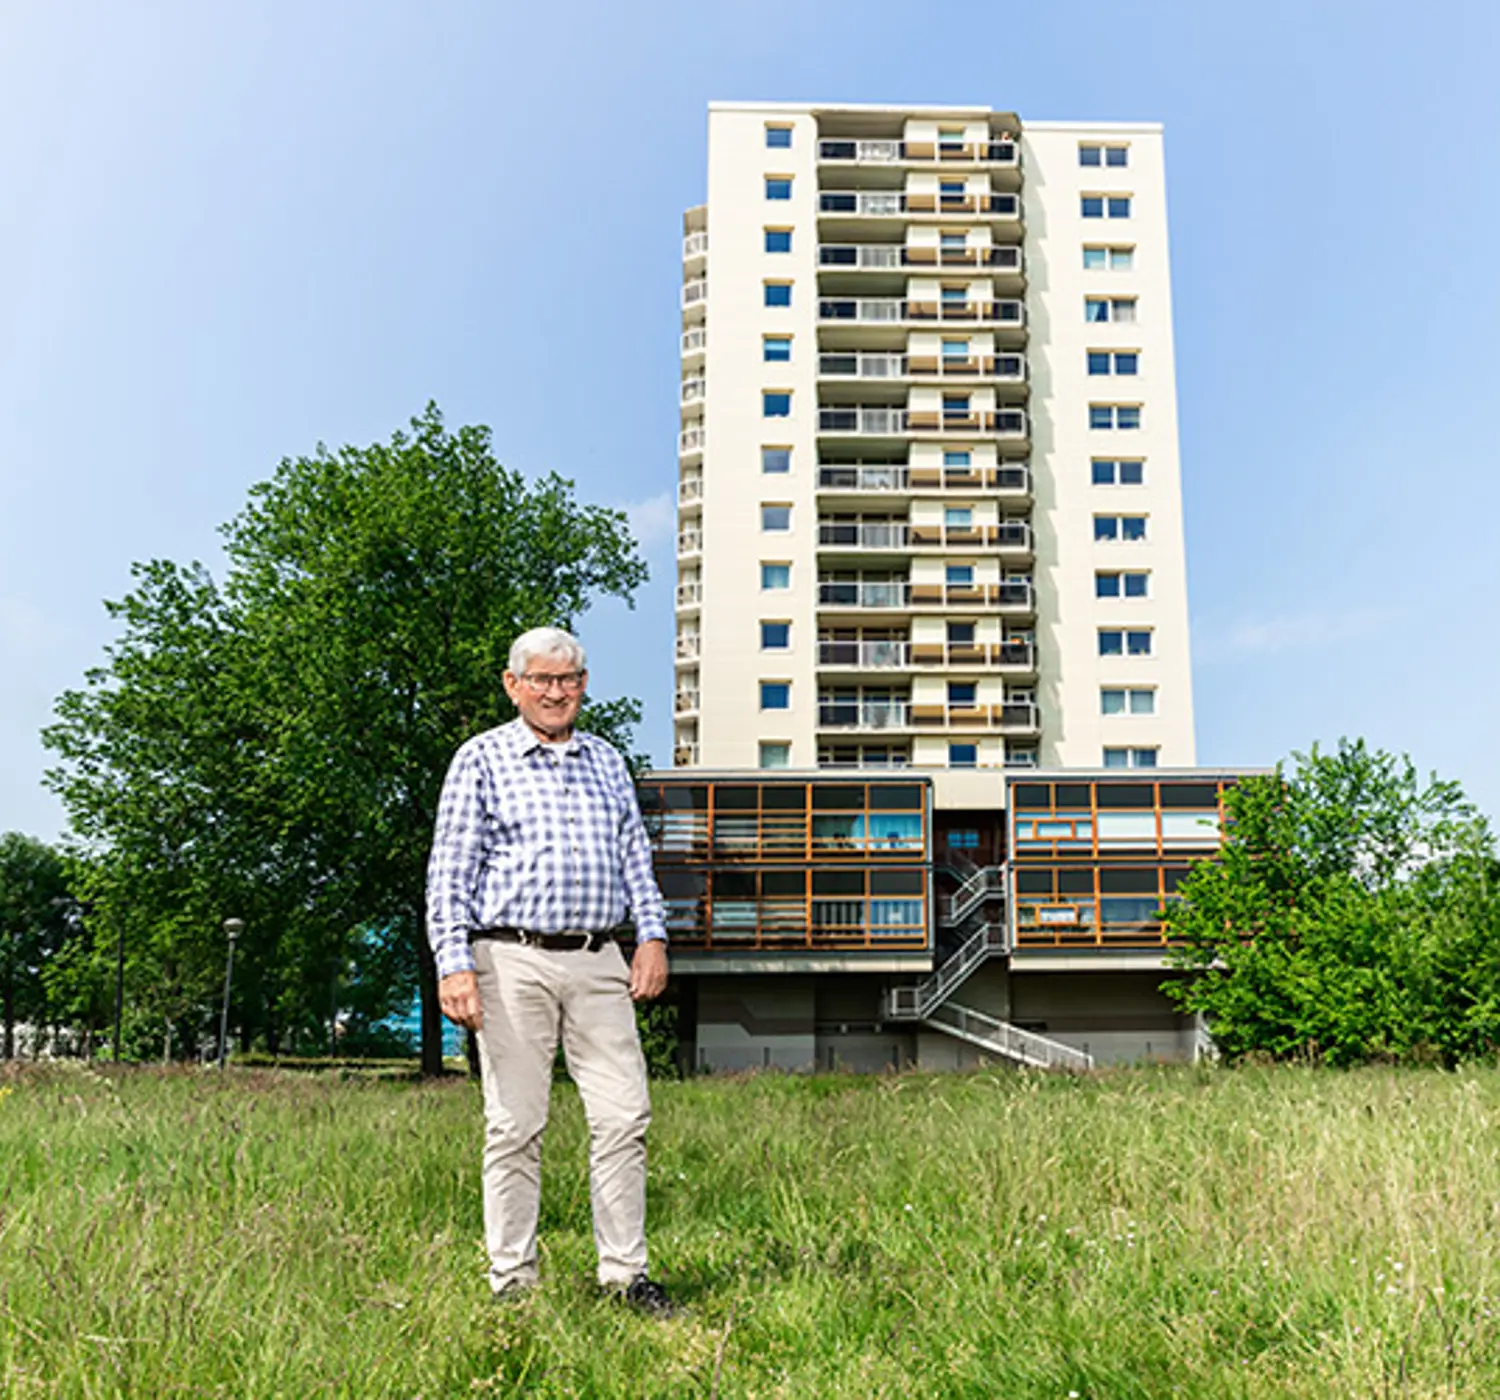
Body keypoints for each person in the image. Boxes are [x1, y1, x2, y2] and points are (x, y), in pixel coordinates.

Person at [425, 625, 673, 1315]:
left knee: (624, 1115)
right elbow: (450, 871)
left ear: (583, 685)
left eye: (567, 680)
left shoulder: (607, 761)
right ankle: (513, 1283)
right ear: (514, 685)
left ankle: (625, 1276)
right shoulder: (480, 759)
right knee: (515, 1124)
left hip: (599, 959)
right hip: (509, 959)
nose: (556, 692)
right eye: (541, 679)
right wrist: (453, 964)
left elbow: (635, 859)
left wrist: (651, 936)